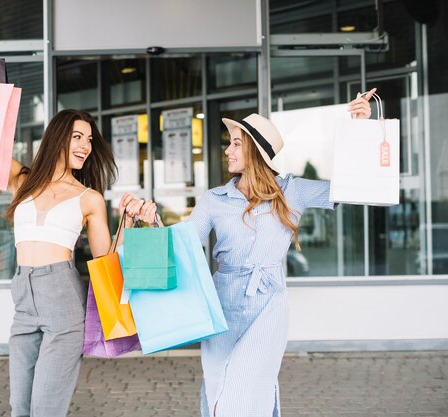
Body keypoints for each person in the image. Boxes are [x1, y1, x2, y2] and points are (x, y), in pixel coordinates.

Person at [133, 89, 376, 417]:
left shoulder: (292, 191)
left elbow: (353, 188)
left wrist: (360, 129)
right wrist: (150, 224)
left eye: (236, 143)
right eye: (229, 142)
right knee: (218, 393)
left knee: (245, 396)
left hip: (269, 306)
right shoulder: (213, 199)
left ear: (256, 151)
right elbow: (182, 248)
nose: (227, 149)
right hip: (220, 309)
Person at [0, 37, 157, 417]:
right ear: (58, 137)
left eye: (89, 139)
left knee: (46, 409)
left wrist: (131, 221)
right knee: (20, 407)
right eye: (77, 136)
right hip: (23, 298)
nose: (85, 145)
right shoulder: (24, 178)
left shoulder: (89, 198)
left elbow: (106, 259)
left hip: (63, 302)